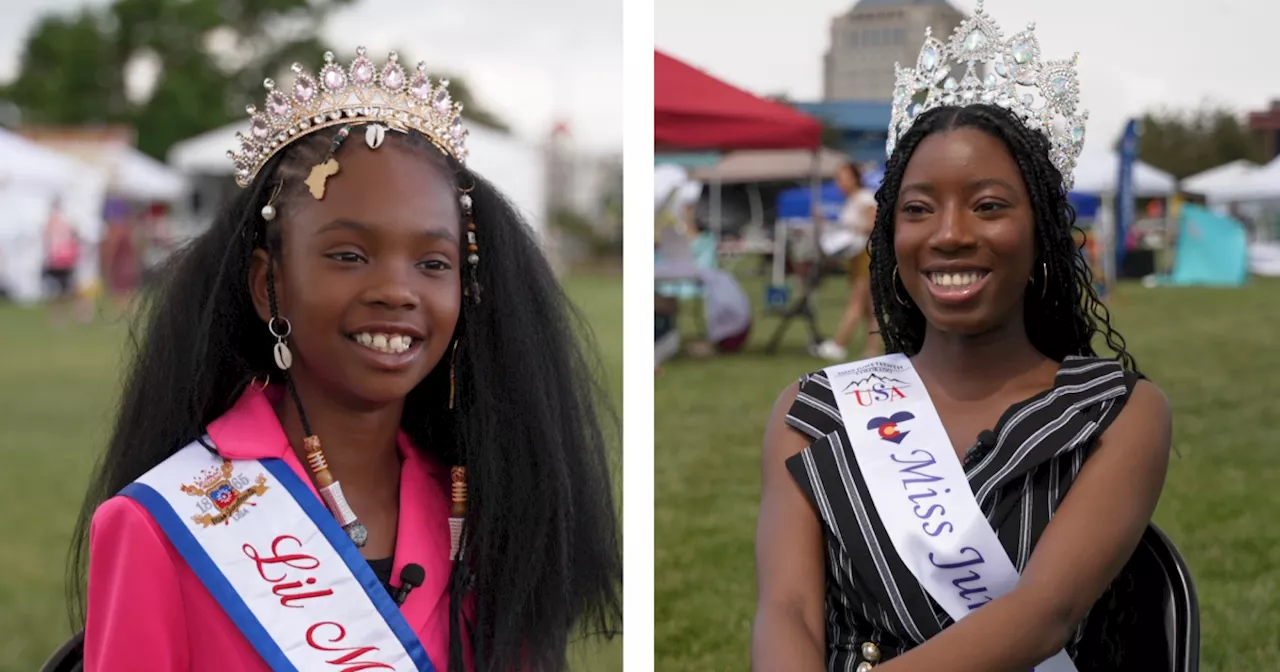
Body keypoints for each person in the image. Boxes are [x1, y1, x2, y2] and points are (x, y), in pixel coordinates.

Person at [67, 48, 621, 672]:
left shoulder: (491, 506)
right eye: (349, 255)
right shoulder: (162, 524)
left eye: (433, 264)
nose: (397, 290)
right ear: (267, 283)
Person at [752, 8, 1173, 671]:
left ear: (1041, 234)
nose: (948, 233)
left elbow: (1044, 614)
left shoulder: (1115, 413)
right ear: (891, 236)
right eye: (918, 209)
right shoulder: (815, 413)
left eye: (988, 205)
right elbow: (787, 608)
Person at [811, 161, 879, 362]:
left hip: (865, 254)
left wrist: (854, 229)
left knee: (856, 301)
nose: (839, 183)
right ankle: (873, 349)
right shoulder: (852, 200)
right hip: (857, 254)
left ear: (854, 178)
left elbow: (874, 225)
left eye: (842, 178)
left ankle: (838, 344)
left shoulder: (864, 198)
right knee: (869, 307)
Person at [41, 196, 81, 325]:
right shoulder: (59, 222)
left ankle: (60, 315)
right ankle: (61, 315)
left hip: (61, 260)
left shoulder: (56, 222)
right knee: (61, 289)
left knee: (62, 289)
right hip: (60, 259)